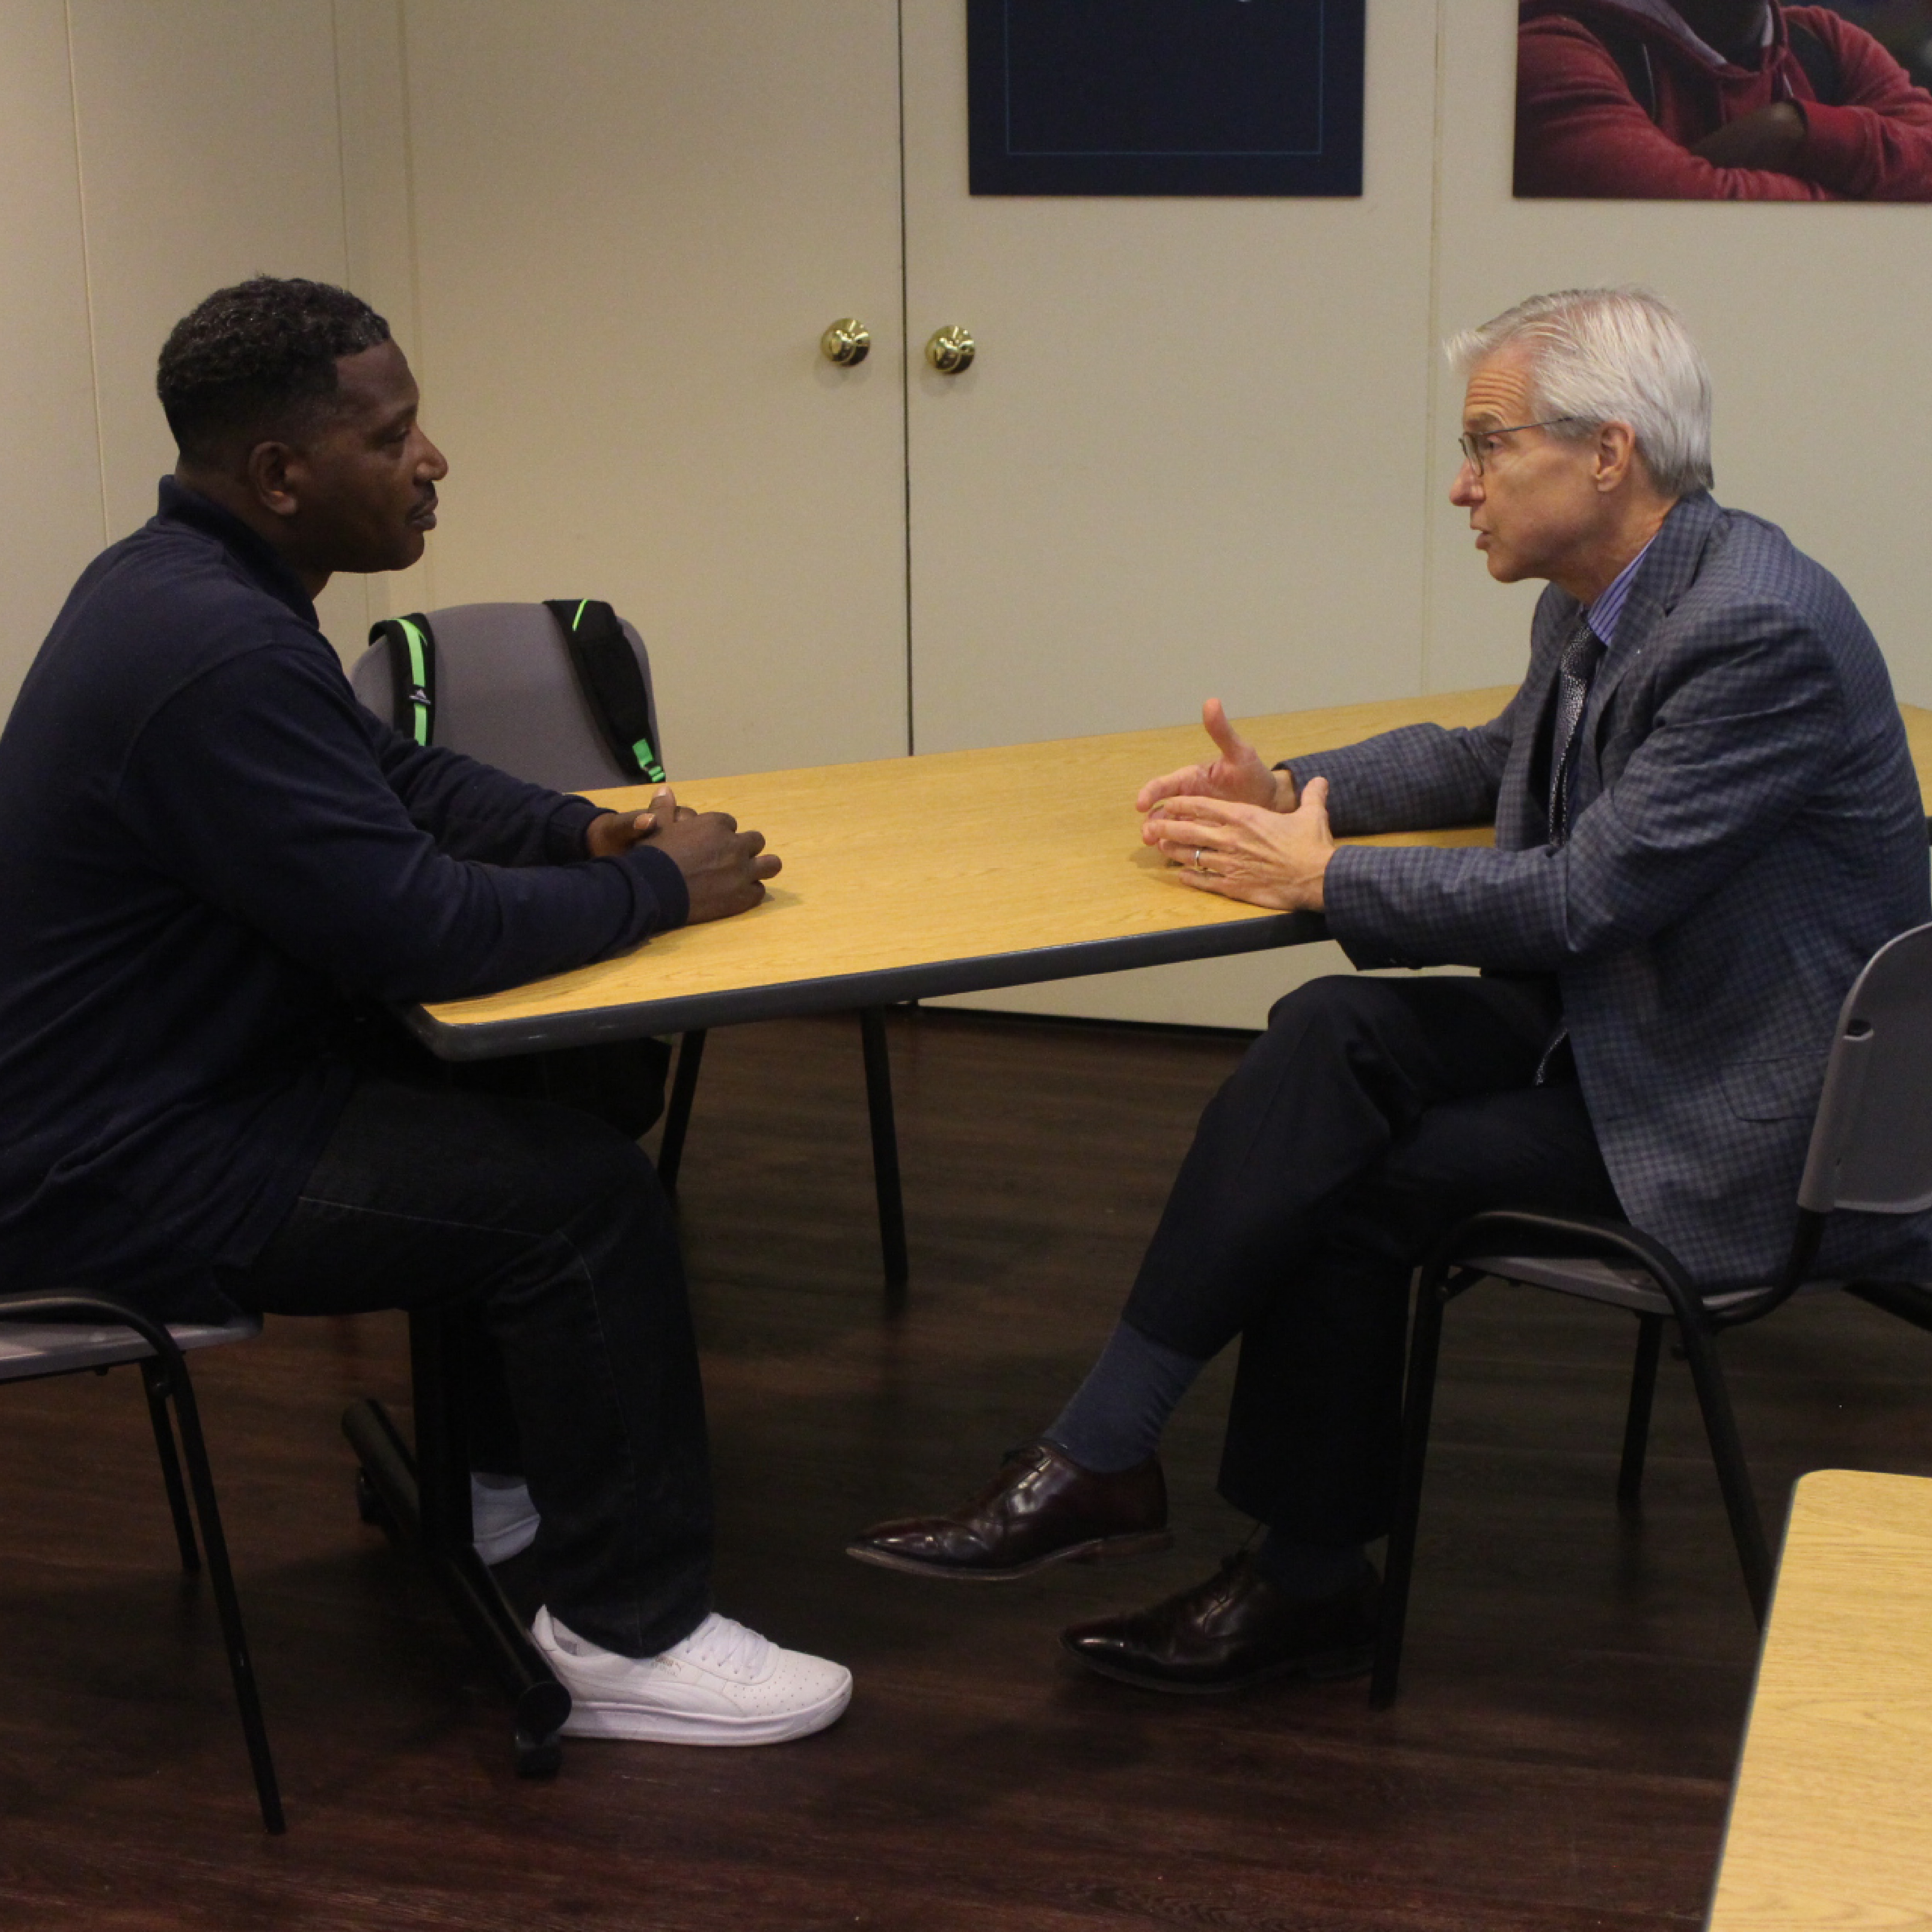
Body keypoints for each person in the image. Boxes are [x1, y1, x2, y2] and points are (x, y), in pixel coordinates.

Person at [847, 286, 1932, 1695]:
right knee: (1328, 1034)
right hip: (1637, 1024)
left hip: (1740, 1109)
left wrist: (1318, 882)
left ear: (1607, 453)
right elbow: (1499, 763)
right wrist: (1299, 795)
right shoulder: (1622, 591)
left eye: (1488, 443)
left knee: (1356, 1179)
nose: (1458, 481)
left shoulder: (1751, 632)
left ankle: (1280, 1569)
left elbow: (1576, 895)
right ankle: (1100, 1456)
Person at [0, 276, 850, 1746]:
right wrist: (662, 894)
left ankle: (493, 1479)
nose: (433, 459)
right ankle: (626, 1633)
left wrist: (580, 835)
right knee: (579, 1203)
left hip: (185, 1082)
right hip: (119, 1158)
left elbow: (393, 783)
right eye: (394, 436)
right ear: (282, 475)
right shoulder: (212, 649)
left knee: (578, 1086)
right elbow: (420, 933)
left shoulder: (187, 585)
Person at [1515, 0, 1932, 200]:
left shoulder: (1824, 45)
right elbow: (1692, 215)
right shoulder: (1553, 52)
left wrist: (1795, 130)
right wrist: (1873, 187)